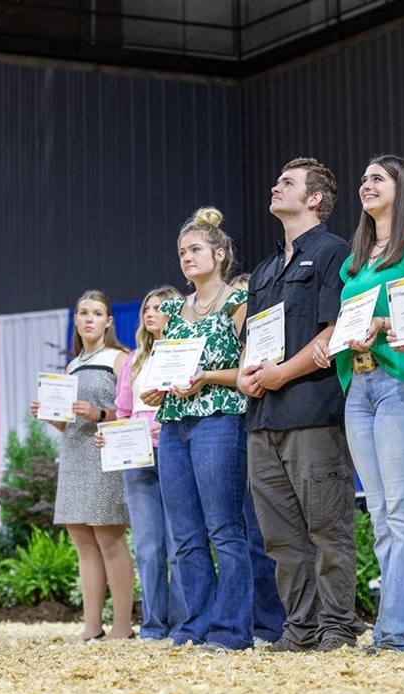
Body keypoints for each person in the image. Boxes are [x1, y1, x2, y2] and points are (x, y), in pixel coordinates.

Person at [313, 154, 404, 653]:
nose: (366, 185)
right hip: (359, 386)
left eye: (377, 178)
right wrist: (335, 340)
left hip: (403, 379)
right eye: (363, 178)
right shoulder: (355, 260)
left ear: (402, 187)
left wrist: (384, 326)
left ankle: (399, 629)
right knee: (383, 512)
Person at [238, 157, 365, 653]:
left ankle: (337, 627)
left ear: (314, 199)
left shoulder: (335, 253)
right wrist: (250, 373)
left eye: (286, 183)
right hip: (262, 419)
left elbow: (336, 331)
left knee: (327, 529)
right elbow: (254, 336)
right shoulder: (266, 268)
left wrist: (281, 374)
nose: (275, 187)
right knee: (280, 537)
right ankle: (301, 627)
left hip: (313, 412)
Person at [141, 207, 253, 652]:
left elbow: (249, 366)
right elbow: (166, 365)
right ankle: (195, 626)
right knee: (186, 535)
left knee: (224, 529)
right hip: (173, 424)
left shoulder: (238, 302)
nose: (186, 258)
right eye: (181, 252)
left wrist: (205, 377)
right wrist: (157, 390)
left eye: (195, 250)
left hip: (220, 419)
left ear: (220, 254)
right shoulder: (170, 308)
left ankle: (231, 630)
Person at [30, 290, 134, 641]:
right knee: (82, 541)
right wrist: (49, 416)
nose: (89, 319)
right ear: (75, 320)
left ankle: (122, 627)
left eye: (97, 313)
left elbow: (133, 412)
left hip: (105, 453)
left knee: (109, 538)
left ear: (109, 321)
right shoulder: (72, 365)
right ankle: (91, 628)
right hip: (74, 455)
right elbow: (67, 423)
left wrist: (99, 413)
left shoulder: (120, 359)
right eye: (83, 313)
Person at [96, 285, 186, 641]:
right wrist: (109, 434)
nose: (150, 313)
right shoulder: (133, 361)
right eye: (147, 308)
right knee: (149, 547)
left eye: (159, 308)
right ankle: (152, 626)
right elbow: (122, 412)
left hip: (174, 449)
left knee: (180, 544)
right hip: (136, 458)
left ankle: (183, 623)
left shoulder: (183, 352)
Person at [229, 271, 286, 644]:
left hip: (260, 422)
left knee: (263, 532)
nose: (238, 308)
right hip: (233, 425)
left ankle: (274, 620)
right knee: (245, 533)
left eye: (243, 300)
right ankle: (254, 620)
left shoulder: (267, 329)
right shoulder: (228, 340)